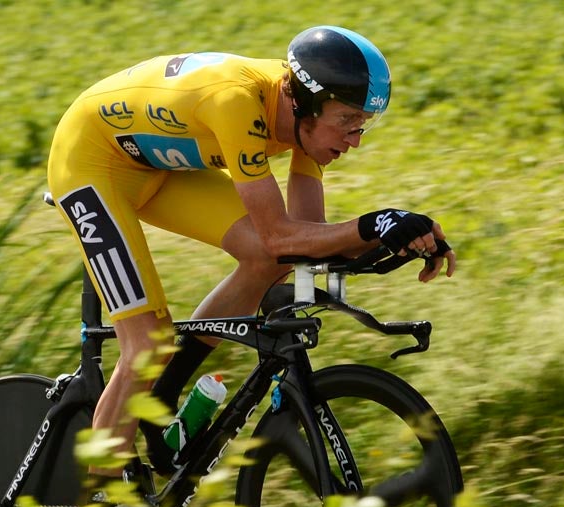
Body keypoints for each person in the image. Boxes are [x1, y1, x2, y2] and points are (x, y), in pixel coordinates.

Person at [47, 25, 456, 481]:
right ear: (303, 101)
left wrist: (397, 233)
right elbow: (284, 235)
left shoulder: (307, 122)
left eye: (363, 124)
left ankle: (165, 391)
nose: (355, 138)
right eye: (346, 121)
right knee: (146, 343)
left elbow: (308, 242)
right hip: (91, 160)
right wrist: (374, 223)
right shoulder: (237, 103)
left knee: (268, 260)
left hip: (158, 166)